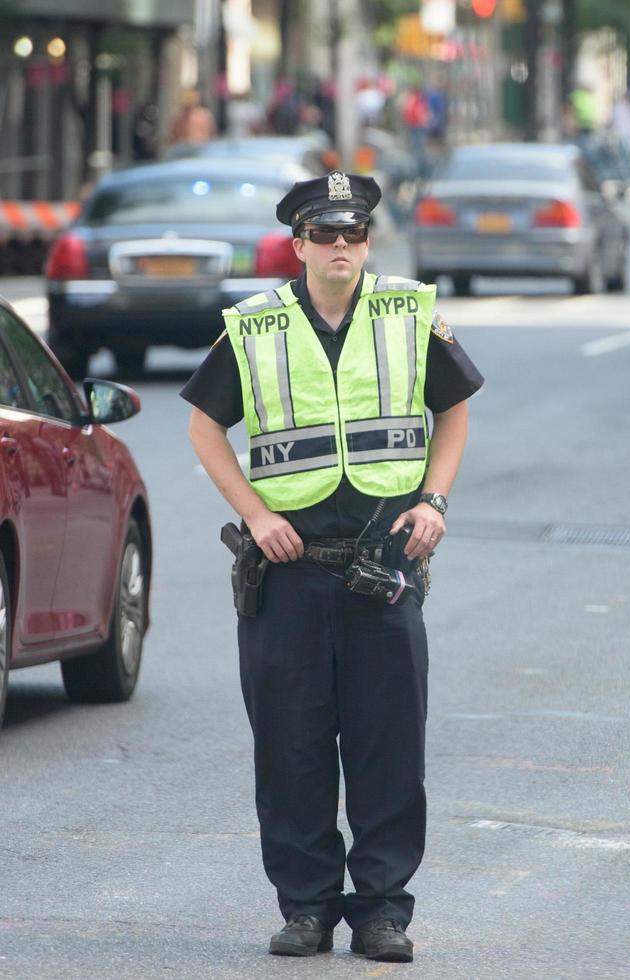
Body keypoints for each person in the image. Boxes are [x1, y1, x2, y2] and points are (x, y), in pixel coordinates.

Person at [182, 172, 483, 963]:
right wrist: (257, 514)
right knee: (292, 747)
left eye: (353, 234)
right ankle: (307, 907)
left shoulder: (409, 311)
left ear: (367, 241)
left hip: (385, 563)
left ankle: (383, 911)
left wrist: (436, 502)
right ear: (299, 244)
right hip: (288, 574)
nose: (341, 247)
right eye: (325, 235)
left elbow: (452, 409)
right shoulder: (254, 326)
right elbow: (204, 427)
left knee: (388, 748)